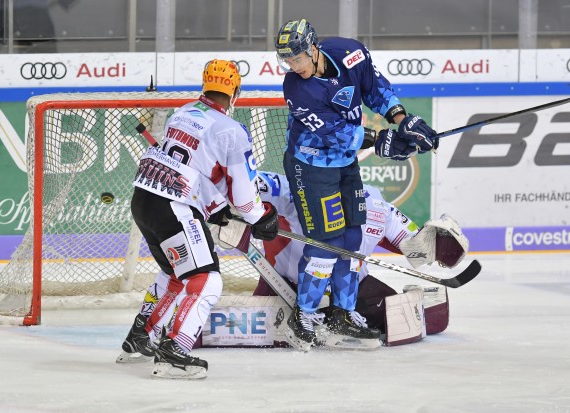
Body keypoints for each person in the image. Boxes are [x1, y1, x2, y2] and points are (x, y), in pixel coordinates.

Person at [274, 18, 439, 351]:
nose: (293, 66)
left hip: (344, 164)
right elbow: (335, 133)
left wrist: (402, 120)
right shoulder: (296, 87)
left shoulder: (351, 53)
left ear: (312, 47)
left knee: (352, 235)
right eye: (287, 61)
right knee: (326, 239)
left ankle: (342, 315)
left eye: (297, 58)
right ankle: (303, 315)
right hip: (311, 164)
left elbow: (376, 89)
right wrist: (382, 141)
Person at [117, 59, 279, 379]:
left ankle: (141, 338)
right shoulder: (232, 130)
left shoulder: (183, 111)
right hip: (173, 206)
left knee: (176, 274)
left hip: (145, 198)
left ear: (206, 85)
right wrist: (263, 216)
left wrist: (215, 205)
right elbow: (246, 200)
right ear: (235, 92)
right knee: (206, 280)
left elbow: (191, 168)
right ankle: (175, 351)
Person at [250, 171, 468, 347]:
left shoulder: (376, 205)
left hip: (352, 288)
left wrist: (438, 244)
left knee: (395, 316)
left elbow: (416, 245)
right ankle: (313, 315)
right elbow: (249, 181)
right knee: (259, 319)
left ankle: (336, 317)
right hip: (283, 284)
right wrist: (245, 208)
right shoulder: (300, 190)